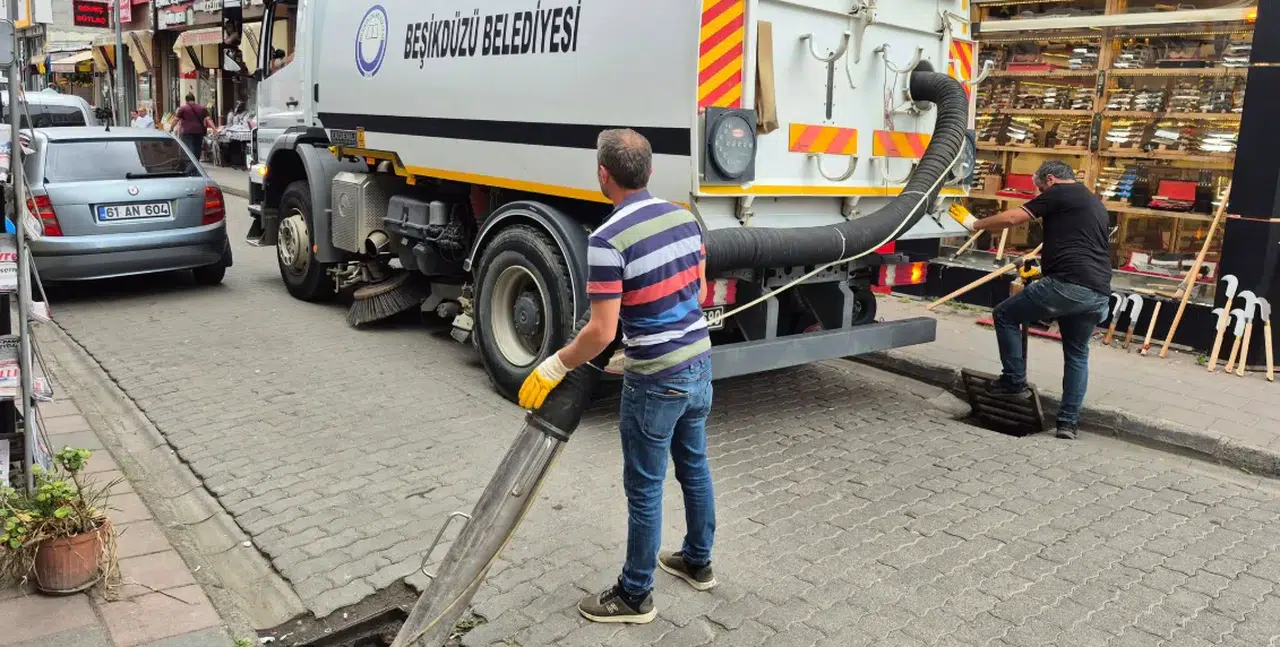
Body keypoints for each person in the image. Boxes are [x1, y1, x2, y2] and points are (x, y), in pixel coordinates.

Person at [518, 129, 717, 624]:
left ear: (603, 175)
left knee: (645, 487)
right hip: (698, 363)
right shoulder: (685, 216)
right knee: (694, 465)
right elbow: (697, 287)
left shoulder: (607, 240)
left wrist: (557, 362)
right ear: (649, 171)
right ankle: (697, 561)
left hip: (656, 380)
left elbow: (601, 331)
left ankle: (634, 595)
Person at [951, 160, 1112, 440]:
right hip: (1097, 292)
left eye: (1038, 189)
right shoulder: (1092, 202)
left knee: (1004, 315)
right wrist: (1043, 270)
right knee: (1077, 353)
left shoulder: (1059, 193)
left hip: (1067, 284)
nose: (1038, 196)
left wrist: (974, 223)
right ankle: (1067, 424)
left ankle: (1014, 381)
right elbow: (1078, 244)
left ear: (1050, 180)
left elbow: (1013, 219)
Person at [175, 93, 215, 161]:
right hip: (199, 131)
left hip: (187, 132)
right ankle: (196, 162)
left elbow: (176, 119)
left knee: (188, 147)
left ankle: (191, 163)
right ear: (194, 99)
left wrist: (171, 127)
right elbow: (209, 119)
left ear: (186, 100)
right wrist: (214, 128)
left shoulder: (183, 108)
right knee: (197, 147)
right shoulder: (202, 108)